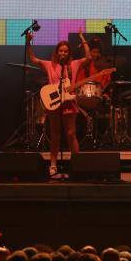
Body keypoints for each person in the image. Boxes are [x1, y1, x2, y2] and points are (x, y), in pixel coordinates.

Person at [25, 29, 90, 177]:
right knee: (55, 135)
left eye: (66, 51)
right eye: (61, 50)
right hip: (54, 104)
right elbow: (33, 59)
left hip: (68, 103)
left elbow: (88, 57)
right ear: (57, 52)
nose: (63, 53)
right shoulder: (49, 65)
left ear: (69, 53)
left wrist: (82, 38)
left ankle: (77, 164)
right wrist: (28, 42)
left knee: (71, 134)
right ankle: (53, 165)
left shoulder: (73, 65)